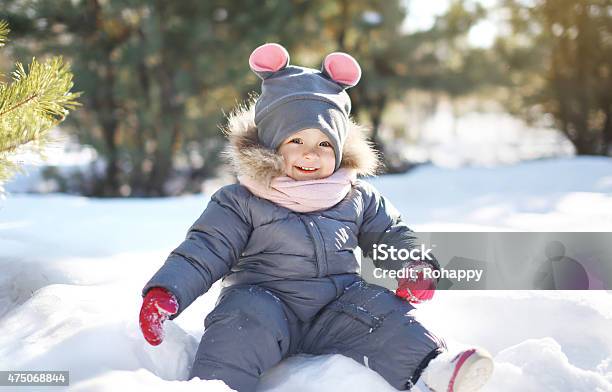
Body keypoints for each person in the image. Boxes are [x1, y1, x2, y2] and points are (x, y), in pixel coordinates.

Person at [139, 43, 494, 392]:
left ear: (339, 150)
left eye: (324, 144)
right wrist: (167, 292)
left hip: (339, 305)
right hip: (263, 301)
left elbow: (391, 233)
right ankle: (216, 387)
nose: (311, 154)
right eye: (296, 140)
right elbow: (205, 248)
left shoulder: (354, 195)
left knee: (384, 311)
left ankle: (433, 368)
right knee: (237, 328)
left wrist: (414, 265)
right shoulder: (241, 199)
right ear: (272, 144)